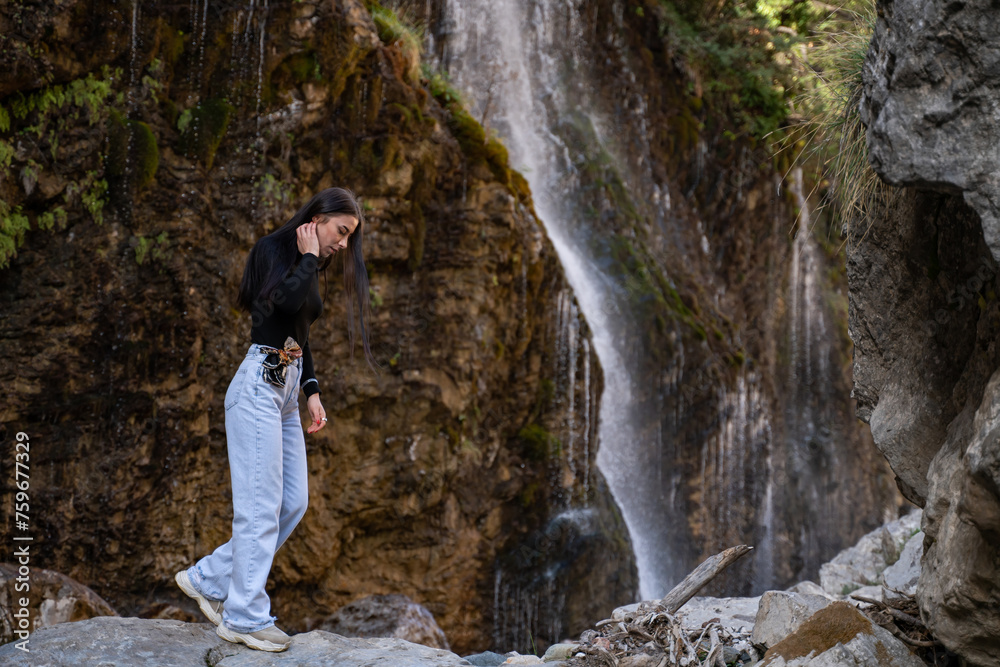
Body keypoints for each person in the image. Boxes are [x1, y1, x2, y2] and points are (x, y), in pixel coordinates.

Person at [174, 187, 376, 652]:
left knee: (293, 503)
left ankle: (209, 578)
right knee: (260, 507)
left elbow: (300, 336)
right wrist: (307, 257)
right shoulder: (273, 251)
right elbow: (281, 306)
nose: (343, 245)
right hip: (257, 387)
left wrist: (311, 392)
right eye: (341, 232)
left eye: (349, 238)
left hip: (284, 393)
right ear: (318, 217)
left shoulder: (310, 266)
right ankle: (244, 617)